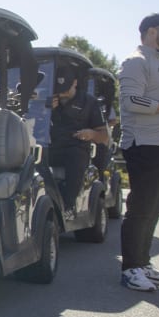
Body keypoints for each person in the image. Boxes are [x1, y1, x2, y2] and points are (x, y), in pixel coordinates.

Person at [118, 12, 159, 291]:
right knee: (141, 209)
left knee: (156, 209)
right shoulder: (136, 61)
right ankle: (130, 269)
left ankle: (143, 264)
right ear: (152, 31)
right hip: (145, 145)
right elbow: (132, 101)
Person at [47, 68, 108, 215]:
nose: (62, 93)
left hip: (76, 147)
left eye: (65, 88)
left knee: (75, 157)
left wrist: (91, 133)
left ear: (74, 83)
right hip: (51, 146)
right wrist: (47, 110)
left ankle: (68, 206)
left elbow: (104, 136)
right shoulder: (49, 99)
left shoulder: (89, 102)